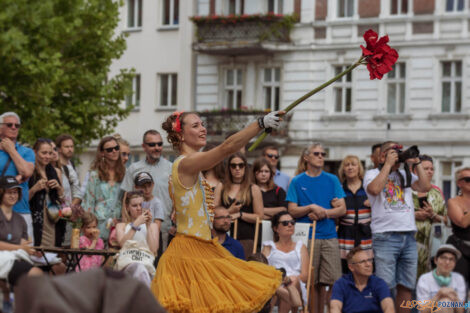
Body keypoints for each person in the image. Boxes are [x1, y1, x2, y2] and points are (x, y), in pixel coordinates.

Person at [151, 110, 283, 312]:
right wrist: (259, 124)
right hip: (188, 252)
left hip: (204, 247)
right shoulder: (185, 164)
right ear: (180, 135)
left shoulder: (192, 167)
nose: (203, 128)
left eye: (202, 124)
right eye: (195, 126)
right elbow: (226, 147)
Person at [364, 141, 431, 313]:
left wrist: (416, 163)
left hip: (408, 236)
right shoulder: (372, 173)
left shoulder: (405, 174)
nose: (397, 155)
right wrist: (387, 165)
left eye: (399, 152)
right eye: (392, 151)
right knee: (386, 287)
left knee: (407, 286)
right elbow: (374, 189)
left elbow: (425, 187)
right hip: (385, 236)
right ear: (382, 156)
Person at [287, 143, 346, 313]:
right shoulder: (297, 181)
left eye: (323, 153)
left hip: (329, 235)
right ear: (306, 157)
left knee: (332, 281)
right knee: (311, 282)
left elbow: (342, 209)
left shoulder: (332, 179)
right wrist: (311, 207)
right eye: (316, 153)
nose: (321, 156)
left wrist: (324, 213)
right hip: (307, 237)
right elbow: (292, 210)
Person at [121, 130, 172, 251]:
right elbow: (125, 199)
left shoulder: (171, 168)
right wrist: (125, 225)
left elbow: (178, 197)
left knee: (160, 265)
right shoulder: (134, 168)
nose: (157, 147)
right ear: (144, 146)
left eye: (159, 144)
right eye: (152, 144)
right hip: (138, 228)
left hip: (165, 228)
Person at [0, 176, 42, 312]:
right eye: (9, 192)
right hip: (4, 259)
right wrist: (20, 247)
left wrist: (33, 251)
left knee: (55, 268)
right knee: (35, 275)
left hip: (16, 257)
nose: (13, 195)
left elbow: (24, 243)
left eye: (15, 192)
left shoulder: (20, 219)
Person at [214, 152, 264, 258]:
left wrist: (240, 214)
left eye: (241, 165)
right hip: (224, 236)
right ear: (229, 168)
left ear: (245, 167)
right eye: (233, 165)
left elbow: (260, 216)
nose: (237, 168)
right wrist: (229, 211)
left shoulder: (253, 188)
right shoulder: (221, 186)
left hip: (247, 237)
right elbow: (213, 211)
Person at [262, 211, 308, 313]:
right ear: (275, 228)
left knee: (291, 281)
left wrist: (288, 280)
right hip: (274, 282)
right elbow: (262, 270)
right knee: (285, 285)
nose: (290, 225)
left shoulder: (300, 247)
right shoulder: (269, 247)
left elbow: (305, 275)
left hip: (295, 283)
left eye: (292, 222)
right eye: (285, 223)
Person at [82, 136, 125, 241]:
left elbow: (126, 201)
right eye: (109, 150)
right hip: (99, 223)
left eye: (116, 148)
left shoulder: (125, 173)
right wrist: (90, 228)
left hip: (118, 224)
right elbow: (89, 202)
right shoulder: (94, 175)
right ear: (102, 153)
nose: (114, 151)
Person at [0, 112, 35, 239]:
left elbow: (26, 172)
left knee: (24, 253)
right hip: (1, 210)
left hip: (22, 211)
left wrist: (11, 150)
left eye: (17, 125)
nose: (14, 127)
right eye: (9, 124)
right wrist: (15, 179)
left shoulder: (27, 152)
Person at [412, 155, 447, 277]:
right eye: (425, 168)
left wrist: (433, 215)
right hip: (409, 245)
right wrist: (414, 215)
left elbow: (446, 220)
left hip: (432, 246)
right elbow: (392, 214)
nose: (429, 172)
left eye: (432, 169)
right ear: (415, 171)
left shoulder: (436, 192)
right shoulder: (405, 191)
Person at [330, 246, 394, 313]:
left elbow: (389, 307)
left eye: (369, 260)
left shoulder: (379, 283)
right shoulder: (341, 284)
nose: (368, 264)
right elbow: (335, 308)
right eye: (363, 262)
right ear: (351, 267)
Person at [337, 155, 372, 274]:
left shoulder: (368, 188)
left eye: (353, 164)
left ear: (359, 168)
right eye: (347, 165)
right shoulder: (339, 189)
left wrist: (374, 203)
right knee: (346, 268)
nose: (350, 168)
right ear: (343, 170)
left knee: (366, 267)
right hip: (345, 235)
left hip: (366, 235)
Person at [28, 139, 66, 247]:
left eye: (50, 153)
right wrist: (34, 189)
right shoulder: (29, 170)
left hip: (53, 220)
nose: (47, 156)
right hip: (35, 220)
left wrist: (58, 188)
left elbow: (63, 200)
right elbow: (21, 200)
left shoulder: (54, 171)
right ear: (35, 152)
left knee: (53, 253)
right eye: (44, 153)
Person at [116, 191, 159, 286]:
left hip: (146, 264)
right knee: (139, 268)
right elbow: (123, 244)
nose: (139, 208)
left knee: (141, 269)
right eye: (134, 206)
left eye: (141, 205)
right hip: (128, 265)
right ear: (127, 207)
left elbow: (153, 250)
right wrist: (136, 224)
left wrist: (148, 225)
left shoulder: (153, 226)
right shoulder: (121, 226)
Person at [416, 244, 466, 313]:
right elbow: (423, 310)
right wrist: (439, 295)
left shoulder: (459, 279)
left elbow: (461, 311)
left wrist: (455, 297)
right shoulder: (424, 279)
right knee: (445, 302)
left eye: (451, 259)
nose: (447, 262)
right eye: (444, 258)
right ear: (436, 260)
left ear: (455, 263)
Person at [446, 167, 470, 283]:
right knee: (459, 286)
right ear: (459, 183)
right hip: (460, 249)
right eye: (468, 179)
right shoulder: (453, 202)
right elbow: (462, 222)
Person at [55, 134, 81, 205]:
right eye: (66, 147)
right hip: (57, 208)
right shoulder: (54, 165)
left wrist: (71, 208)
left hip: (70, 209)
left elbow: (76, 190)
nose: (70, 149)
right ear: (59, 149)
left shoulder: (71, 164)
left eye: (72, 146)